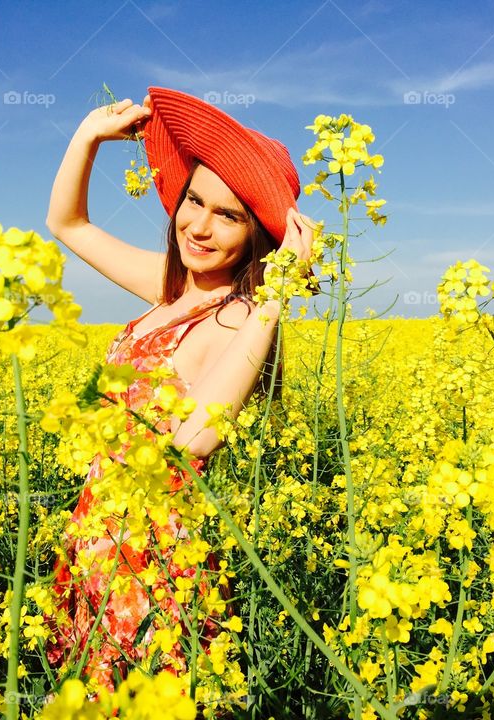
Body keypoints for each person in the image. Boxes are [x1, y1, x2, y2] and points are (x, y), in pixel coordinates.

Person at [41, 86, 314, 692]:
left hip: (153, 560)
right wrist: (88, 136)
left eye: (229, 216)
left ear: (256, 235)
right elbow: (67, 223)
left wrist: (278, 293)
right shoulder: (169, 289)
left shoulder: (240, 316)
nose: (200, 226)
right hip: (96, 534)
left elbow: (197, 436)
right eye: (195, 201)